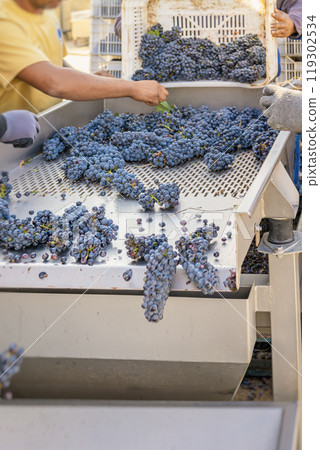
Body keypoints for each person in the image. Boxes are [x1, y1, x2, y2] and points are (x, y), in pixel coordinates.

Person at [0, 0, 168, 114]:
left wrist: (87, 79)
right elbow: (53, 81)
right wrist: (132, 88)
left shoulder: (46, 14)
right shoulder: (4, 22)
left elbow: (54, 62)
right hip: (12, 141)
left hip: (45, 125)